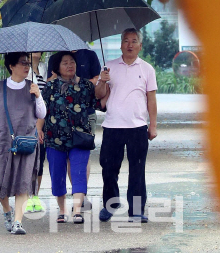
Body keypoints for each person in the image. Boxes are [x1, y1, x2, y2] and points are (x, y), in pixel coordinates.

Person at [94, 27, 158, 222]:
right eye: (126, 41)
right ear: (121, 45)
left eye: (134, 41)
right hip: (112, 126)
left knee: (138, 170)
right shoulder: (109, 66)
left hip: (137, 127)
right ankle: (110, 204)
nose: (129, 45)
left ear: (140, 45)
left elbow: (151, 100)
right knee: (109, 168)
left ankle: (137, 210)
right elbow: (98, 96)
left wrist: (152, 125)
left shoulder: (147, 69)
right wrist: (102, 81)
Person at [0, 52, 46, 235]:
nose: (26, 66)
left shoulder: (32, 87)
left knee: (23, 181)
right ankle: (7, 211)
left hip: (26, 142)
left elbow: (42, 114)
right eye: (22, 63)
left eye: (27, 63)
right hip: (2, 142)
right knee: (0, 182)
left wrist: (38, 96)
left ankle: (18, 222)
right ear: (11, 66)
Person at [42, 51, 99, 224]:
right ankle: (62, 209)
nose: (69, 65)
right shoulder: (50, 87)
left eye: (72, 62)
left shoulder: (86, 86)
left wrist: (103, 81)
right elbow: (41, 111)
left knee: (79, 171)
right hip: (54, 137)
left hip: (80, 136)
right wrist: (39, 131)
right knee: (57, 173)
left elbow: (100, 102)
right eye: (65, 63)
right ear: (57, 68)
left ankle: (77, 210)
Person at [26, 52, 48, 213]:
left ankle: (35, 195)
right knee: (28, 160)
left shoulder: (43, 68)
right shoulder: (24, 70)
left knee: (39, 159)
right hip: (27, 119)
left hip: (42, 117)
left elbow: (45, 93)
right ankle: (26, 196)